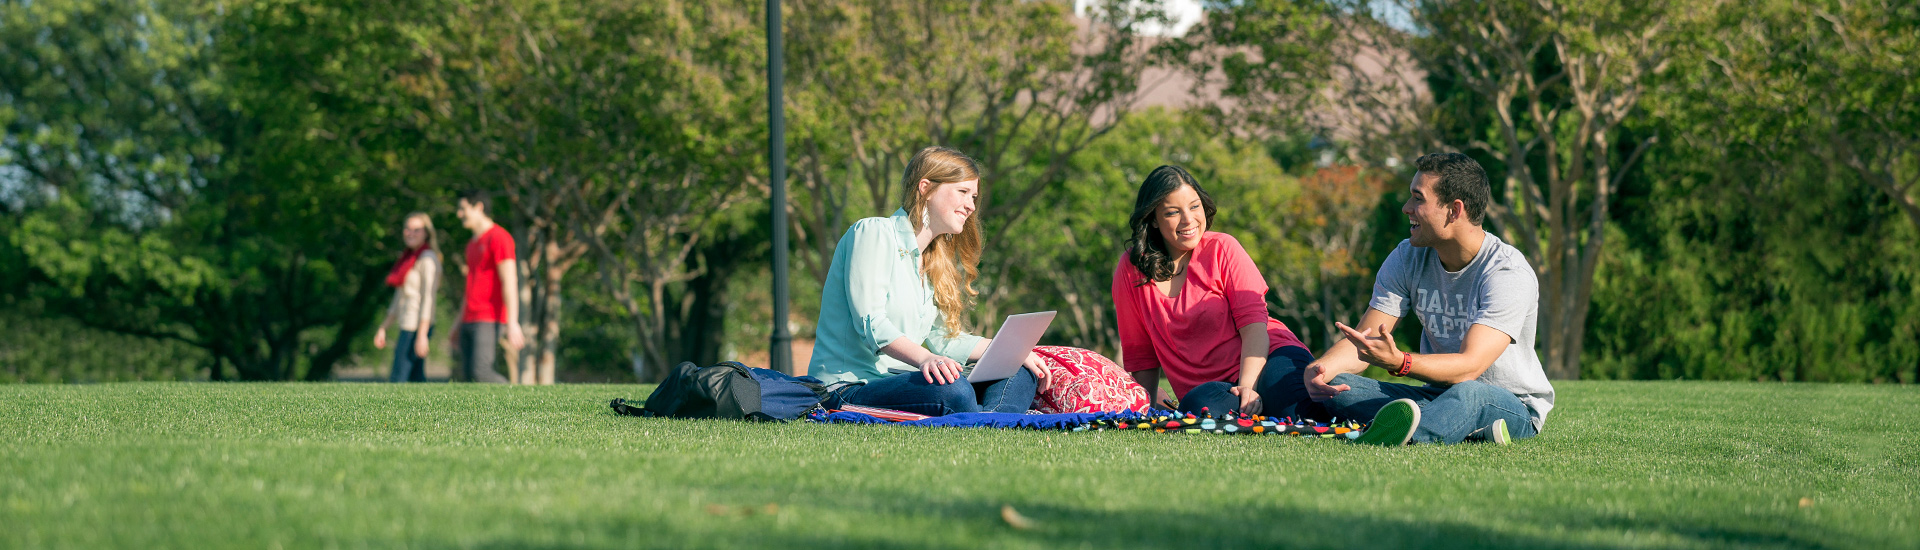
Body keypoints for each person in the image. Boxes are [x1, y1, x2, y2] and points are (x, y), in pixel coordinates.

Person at [1284, 152, 1555, 446]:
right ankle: (1443, 426)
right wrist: (1322, 369)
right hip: (1437, 395)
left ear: (1454, 210)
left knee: (1469, 393)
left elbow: (1470, 367)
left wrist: (1401, 362)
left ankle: (1403, 432)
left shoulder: (1506, 272)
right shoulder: (1407, 256)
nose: (1406, 208)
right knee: (1339, 387)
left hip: (1507, 403)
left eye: (1418, 198)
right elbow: (1365, 340)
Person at [810, 146, 1051, 417]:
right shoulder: (873, 232)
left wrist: (1010, 351)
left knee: (1018, 371)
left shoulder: (934, 260)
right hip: (849, 387)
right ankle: (994, 418)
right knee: (953, 389)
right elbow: (872, 324)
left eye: (973, 196)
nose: (971, 206)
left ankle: (986, 421)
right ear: (925, 188)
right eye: (962, 192)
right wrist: (926, 358)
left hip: (904, 381)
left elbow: (943, 341)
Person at [1111, 165, 1316, 419]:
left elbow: (1254, 327)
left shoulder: (1223, 248)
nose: (1188, 220)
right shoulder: (1132, 269)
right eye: (1173, 212)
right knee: (1200, 409)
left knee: (1290, 405)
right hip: (1211, 390)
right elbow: (1141, 355)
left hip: (1265, 359)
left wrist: (1248, 388)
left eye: (1194, 206)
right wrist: (1144, 411)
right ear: (1153, 219)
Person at [449, 191, 525, 383]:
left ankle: (521, 401)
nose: (459, 214)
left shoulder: (500, 238)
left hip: (489, 317)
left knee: (481, 372)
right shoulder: (472, 244)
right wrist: (457, 323)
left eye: (463, 209)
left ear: (479, 207)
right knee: (468, 378)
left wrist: (513, 322)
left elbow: (509, 281)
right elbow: (470, 288)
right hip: (469, 317)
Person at [373, 213, 441, 383]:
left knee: (399, 377)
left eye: (416, 230)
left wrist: (422, 334)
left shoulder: (428, 260)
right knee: (415, 378)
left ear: (426, 233)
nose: (411, 233)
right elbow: (399, 298)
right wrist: (384, 327)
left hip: (416, 326)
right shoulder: (409, 259)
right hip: (406, 323)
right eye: (408, 229)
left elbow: (428, 300)